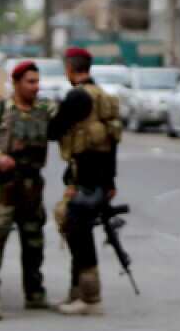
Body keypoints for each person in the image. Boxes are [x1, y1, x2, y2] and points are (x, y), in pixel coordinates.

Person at [47, 47, 123, 316]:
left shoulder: (77, 97)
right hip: (101, 178)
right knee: (76, 228)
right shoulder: (102, 97)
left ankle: (90, 298)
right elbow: (113, 141)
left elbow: (53, 130)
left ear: (70, 67)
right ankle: (77, 292)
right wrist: (111, 181)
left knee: (77, 231)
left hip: (85, 178)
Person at [0, 60, 55, 314]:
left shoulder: (45, 110)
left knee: (34, 242)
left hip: (31, 187)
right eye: (31, 82)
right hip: (3, 187)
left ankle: (34, 292)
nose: (36, 87)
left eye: (37, 81)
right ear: (17, 83)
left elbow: (64, 123)